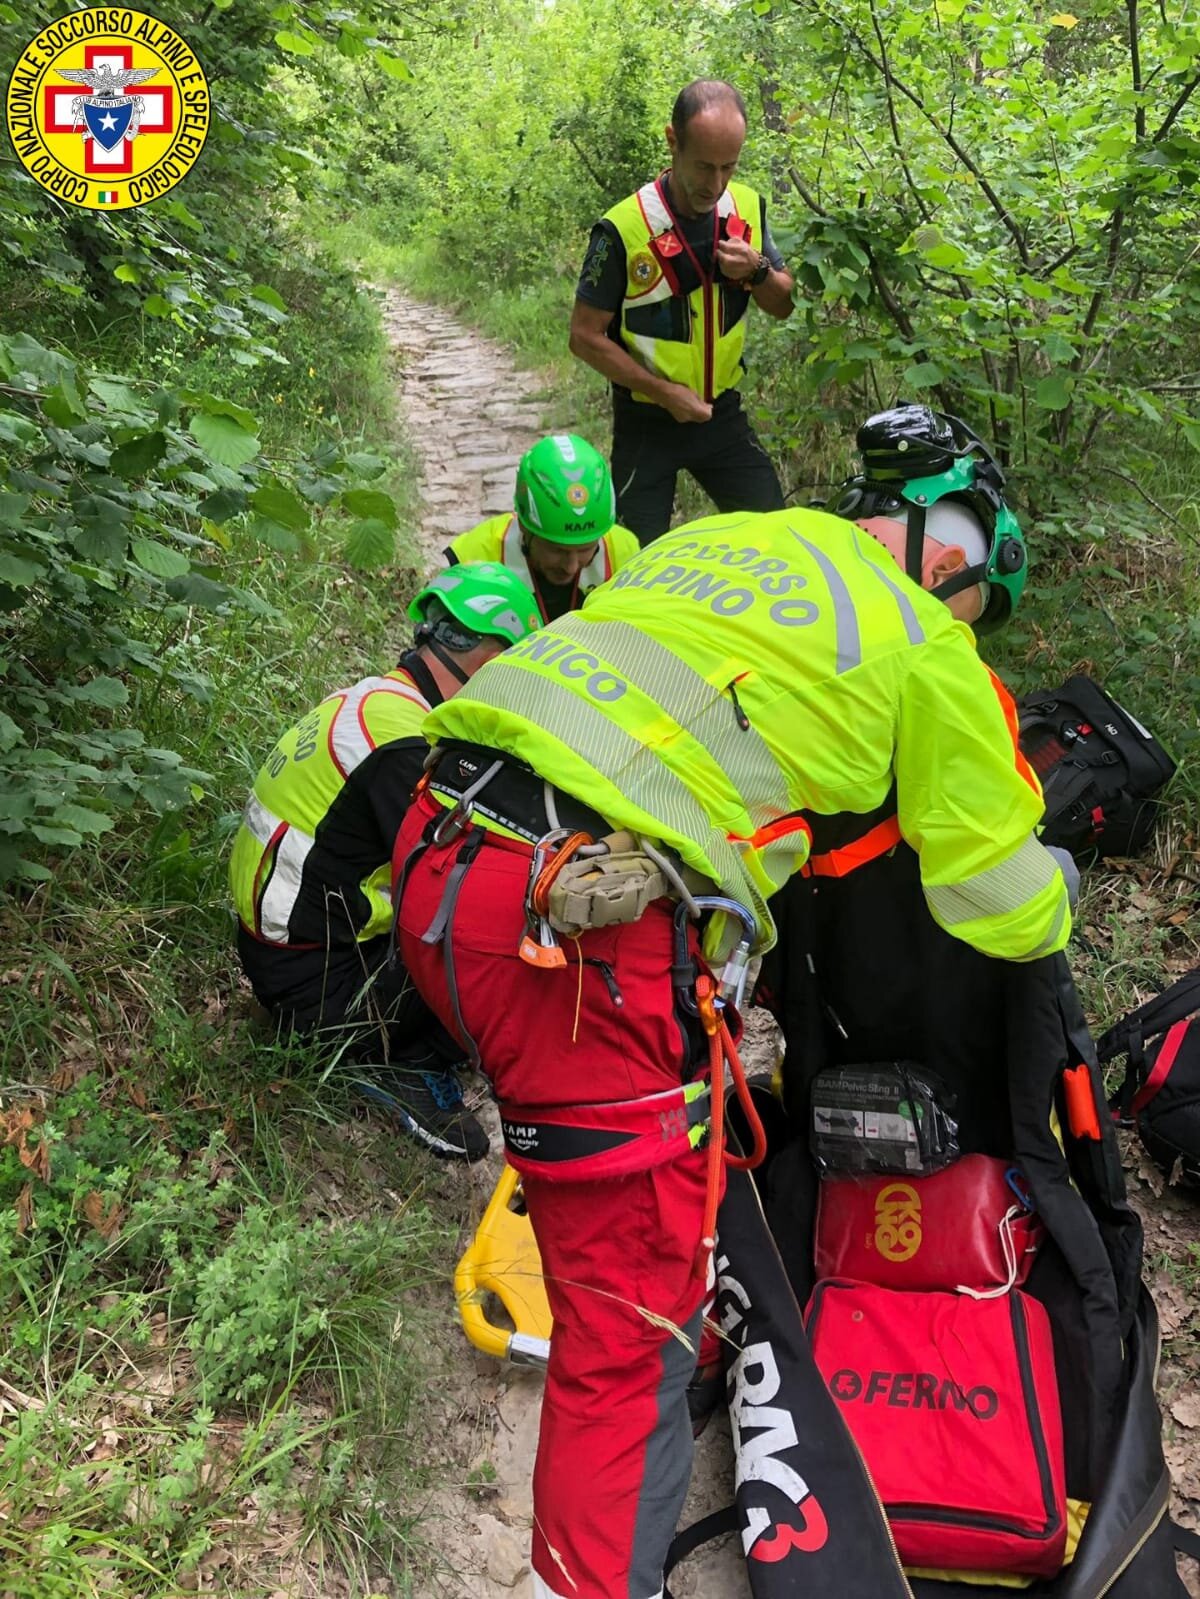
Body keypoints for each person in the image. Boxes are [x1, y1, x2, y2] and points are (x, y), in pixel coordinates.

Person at [389, 406, 1072, 1599]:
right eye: (977, 610)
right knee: (626, 1339)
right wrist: (1056, 875)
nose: (974, 634)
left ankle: (608, 1233)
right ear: (956, 559)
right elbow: (998, 904)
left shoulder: (733, 537)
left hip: (443, 855)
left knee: (630, 1208)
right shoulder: (927, 647)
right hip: (574, 933)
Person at [229, 562, 539, 1161]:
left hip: (287, 952)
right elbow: (459, 877)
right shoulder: (404, 748)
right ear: (485, 660)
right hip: (319, 989)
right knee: (489, 916)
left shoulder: (380, 702)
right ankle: (393, 1055)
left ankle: (393, 1034)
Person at [570, 78, 795, 546]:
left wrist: (757, 271)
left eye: (728, 168)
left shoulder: (747, 208)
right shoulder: (623, 229)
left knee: (778, 541)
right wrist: (663, 392)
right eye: (704, 167)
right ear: (673, 141)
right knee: (633, 562)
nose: (715, 185)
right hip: (647, 421)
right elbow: (584, 336)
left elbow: (783, 304)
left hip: (722, 415)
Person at [445, 433, 639, 623]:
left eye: (585, 549)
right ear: (524, 527)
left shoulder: (625, 554)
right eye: (556, 550)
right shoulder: (477, 558)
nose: (570, 566)